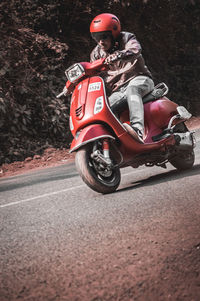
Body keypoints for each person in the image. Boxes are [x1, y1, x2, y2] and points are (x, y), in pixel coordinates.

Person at [90, 13, 154, 143]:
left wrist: (120, 54)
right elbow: (92, 72)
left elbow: (136, 49)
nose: (101, 41)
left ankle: (137, 130)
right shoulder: (96, 53)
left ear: (114, 33)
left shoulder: (127, 38)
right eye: (97, 38)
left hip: (140, 79)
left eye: (104, 36)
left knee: (132, 89)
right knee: (103, 107)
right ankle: (114, 140)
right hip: (119, 90)